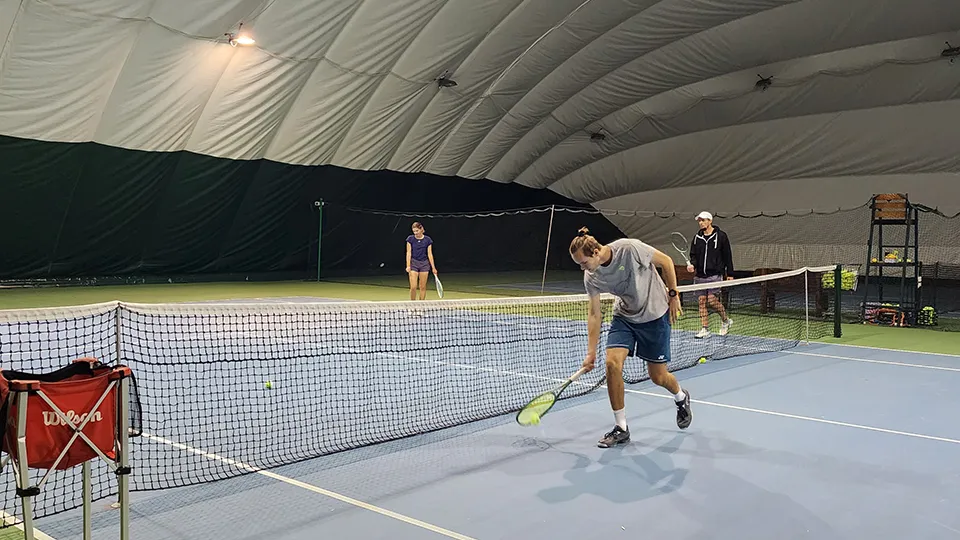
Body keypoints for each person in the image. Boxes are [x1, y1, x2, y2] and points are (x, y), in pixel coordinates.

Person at [569, 227, 692, 449]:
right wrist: (591, 351)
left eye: (583, 262)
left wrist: (673, 294)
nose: (582, 268)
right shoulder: (591, 277)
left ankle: (681, 397)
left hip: (655, 315)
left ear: (596, 252)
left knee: (658, 377)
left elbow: (666, 262)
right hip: (625, 317)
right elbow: (595, 314)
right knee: (611, 363)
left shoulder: (630, 248)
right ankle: (621, 427)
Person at [685, 211, 734, 339]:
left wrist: (730, 273)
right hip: (700, 275)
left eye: (703, 220)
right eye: (699, 221)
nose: (701, 223)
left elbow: (727, 255)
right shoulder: (697, 238)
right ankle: (705, 329)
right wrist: (692, 265)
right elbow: (693, 255)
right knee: (701, 301)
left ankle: (725, 321)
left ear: (710, 221)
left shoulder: (721, 236)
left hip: (715, 274)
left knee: (712, 301)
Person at [405, 221, 437, 300]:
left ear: (421, 229)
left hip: (424, 264)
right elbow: (408, 253)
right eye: (414, 231)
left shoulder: (427, 240)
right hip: (414, 263)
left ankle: (421, 306)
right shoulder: (410, 239)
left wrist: (433, 267)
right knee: (413, 287)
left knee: (422, 287)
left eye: (417, 231)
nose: (415, 233)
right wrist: (408, 265)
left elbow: (430, 254)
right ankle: (412, 306)